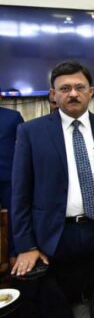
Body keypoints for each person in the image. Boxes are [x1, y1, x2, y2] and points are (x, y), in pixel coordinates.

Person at [11, 61, 94, 280]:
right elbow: (20, 193)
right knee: (58, 295)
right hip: (54, 236)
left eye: (79, 87)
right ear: (53, 94)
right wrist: (26, 245)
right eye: (65, 88)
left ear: (91, 92)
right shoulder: (31, 132)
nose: (73, 94)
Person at [0, 91, 24, 258]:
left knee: (15, 218)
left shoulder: (13, 116)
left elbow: (24, 145)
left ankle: (15, 255)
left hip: (9, 177)